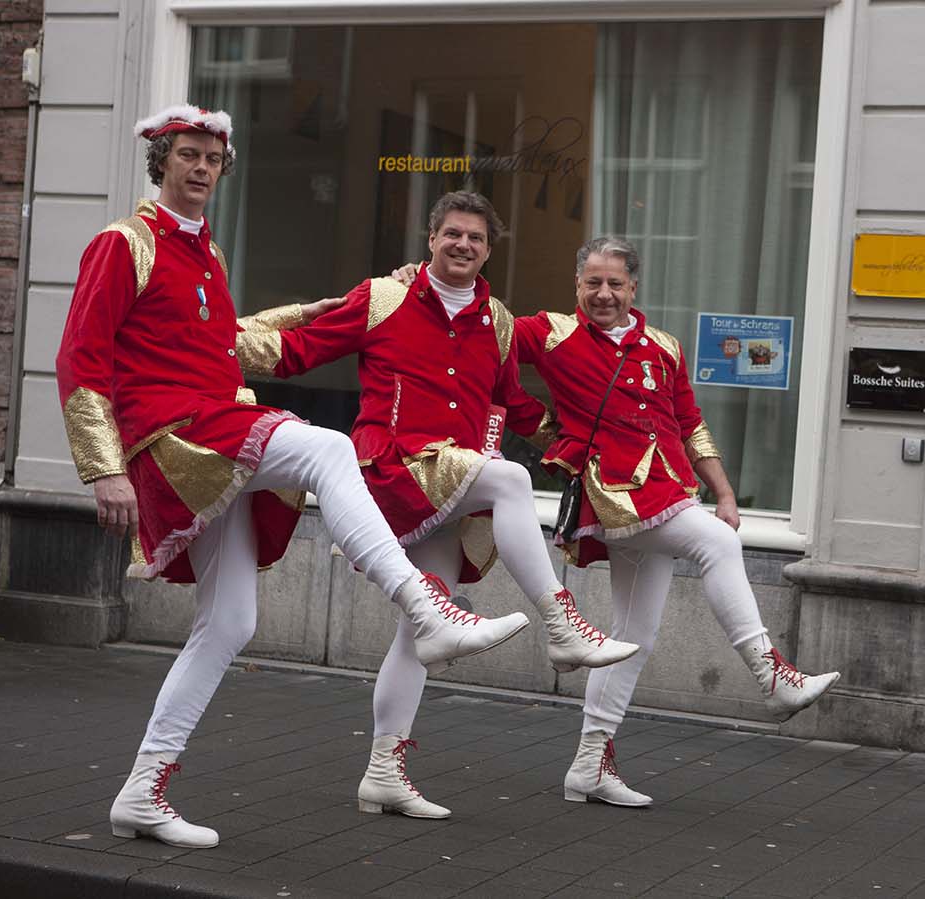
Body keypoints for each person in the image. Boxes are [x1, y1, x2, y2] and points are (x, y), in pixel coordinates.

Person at [56, 106, 528, 849]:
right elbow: (80, 357)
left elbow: (231, 342)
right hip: (176, 434)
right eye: (189, 154)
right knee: (327, 449)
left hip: (213, 424)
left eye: (214, 156)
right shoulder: (125, 242)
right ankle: (425, 608)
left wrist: (329, 306)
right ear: (162, 161)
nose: (203, 167)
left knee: (232, 622)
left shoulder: (204, 251)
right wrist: (102, 468)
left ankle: (142, 790)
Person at [238, 191, 638, 820]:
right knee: (507, 479)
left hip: (452, 487)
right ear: (430, 238)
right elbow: (297, 352)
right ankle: (562, 626)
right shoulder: (385, 297)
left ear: (487, 250)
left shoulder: (497, 319)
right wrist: (217, 342)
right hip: (397, 467)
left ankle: (383, 772)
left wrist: (581, 438)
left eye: (476, 239)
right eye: (453, 234)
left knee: (423, 632)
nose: (463, 246)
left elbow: (514, 402)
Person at [511, 236, 840, 807]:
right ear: (577, 286)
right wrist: (548, 433)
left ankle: (590, 763)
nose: (604, 294)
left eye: (616, 283)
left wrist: (725, 492)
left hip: (668, 492)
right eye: (593, 282)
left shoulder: (663, 346)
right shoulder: (552, 333)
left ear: (633, 288)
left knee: (632, 639)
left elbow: (691, 424)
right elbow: (478, 339)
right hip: (613, 495)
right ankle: (772, 676)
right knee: (714, 542)